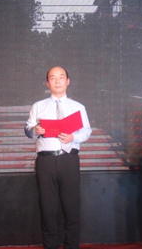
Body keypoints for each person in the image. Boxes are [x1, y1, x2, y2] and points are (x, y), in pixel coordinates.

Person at [25, 66, 92, 249]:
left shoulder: (78, 107)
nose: (57, 81)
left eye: (61, 77)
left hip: (69, 159)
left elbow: (87, 131)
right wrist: (35, 130)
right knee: (47, 209)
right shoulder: (38, 106)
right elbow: (28, 131)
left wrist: (73, 137)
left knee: (71, 209)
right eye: (52, 78)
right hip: (46, 161)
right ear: (47, 83)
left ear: (67, 81)